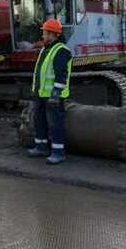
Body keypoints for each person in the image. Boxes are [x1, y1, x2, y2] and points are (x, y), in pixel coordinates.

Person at [27, 19, 72, 164]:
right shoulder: (45, 49)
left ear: (54, 34)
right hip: (41, 94)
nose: (43, 36)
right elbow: (41, 73)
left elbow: (61, 74)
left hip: (53, 96)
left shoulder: (61, 50)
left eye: (45, 33)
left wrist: (56, 93)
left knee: (55, 124)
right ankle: (41, 147)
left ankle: (58, 152)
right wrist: (35, 91)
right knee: (39, 121)